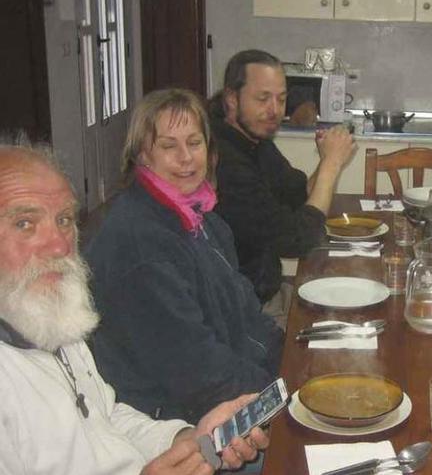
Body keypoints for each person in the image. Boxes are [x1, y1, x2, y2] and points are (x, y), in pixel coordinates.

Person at [0, 145, 267, 475]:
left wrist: (183, 438)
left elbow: (106, 417)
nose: (59, 245)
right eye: (25, 223)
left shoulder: (47, 316)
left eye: (64, 220)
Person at [85, 89, 283, 424]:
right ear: (142, 156)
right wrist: (282, 394)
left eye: (194, 142)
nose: (186, 157)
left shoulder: (204, 219)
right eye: (168, 145)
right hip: (173, 421)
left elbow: (248, 314)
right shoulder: (140, 245)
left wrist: (290, 357)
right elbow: (197, 373)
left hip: (224, 387)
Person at [209, 49, 356, 313]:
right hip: (240, 306)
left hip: (264, 288)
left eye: (281, 99)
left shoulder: (253, 136)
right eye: (263, 98)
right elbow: (298, 240)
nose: (274, 110)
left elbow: (298, 193)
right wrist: (332, 166)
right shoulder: (224, 161)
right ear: (232, 99)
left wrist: (326, 162)